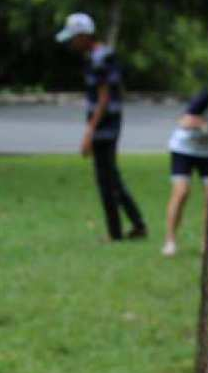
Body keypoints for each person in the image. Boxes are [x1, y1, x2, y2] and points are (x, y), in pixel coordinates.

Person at [58, 12, 146, 243]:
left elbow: (104, 97)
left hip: (105, 126)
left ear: (84, 36)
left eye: (73, 38)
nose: (71, 43)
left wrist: (89, 132)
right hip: (108, 123)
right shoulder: (101, 55)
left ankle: (115, 233)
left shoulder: (100, 58)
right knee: (112, 177)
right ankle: (137, 225)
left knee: (105, 180)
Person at [162, 70, 208, 257]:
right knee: (181, 192)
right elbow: (184, 121)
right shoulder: (204, 98)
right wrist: (205, 125)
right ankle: (170, 240)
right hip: (184, 149)